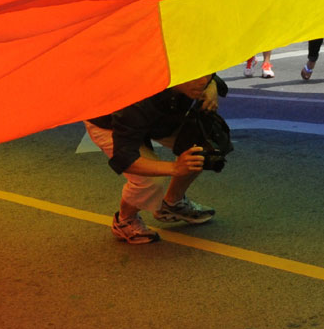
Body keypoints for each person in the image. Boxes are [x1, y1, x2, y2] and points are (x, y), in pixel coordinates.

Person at [83, 74, 224, 244]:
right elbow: (125, 159)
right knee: (150, 180)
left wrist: (212, 86)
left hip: (157, 117)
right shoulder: (135, 97)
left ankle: (172, 204)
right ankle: (125, 220)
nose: (201, 81)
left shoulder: (197, 77)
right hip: (110, 122)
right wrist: (175, 168)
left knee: (203, 147)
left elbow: (209, 73)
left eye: (205, 75)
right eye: (194, 77)